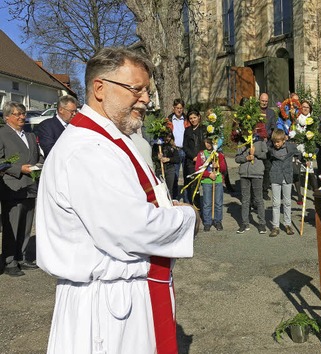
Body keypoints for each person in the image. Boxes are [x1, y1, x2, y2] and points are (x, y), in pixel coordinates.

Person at [36, 47, 198, 353]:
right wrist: (189, 216)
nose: (146, 99)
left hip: (122, 297)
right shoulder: (88, 149)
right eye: (136, 89)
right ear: (99, 88)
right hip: (107, 310)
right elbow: (133, 228)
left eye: (147, 91)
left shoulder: (108, 139)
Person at [0, 101, 43, 277]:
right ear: (7, 116)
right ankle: (10, 261)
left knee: (26, 226)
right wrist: (19, 169)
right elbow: (1, 162)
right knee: (13, 227)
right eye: (17, 114)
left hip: (30, 185)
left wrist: (39, 164)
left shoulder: (31, 135)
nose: (22, 117)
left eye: (23, 113)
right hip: (13, 187)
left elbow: (38, 155)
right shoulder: (2, 134)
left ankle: (22, 257)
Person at [268, 129, 300, 237]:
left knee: (287, 202)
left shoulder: (290, 147)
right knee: (276, 203)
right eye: (274, 142)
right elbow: (268, 159)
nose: (276, 144)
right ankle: (275, 226)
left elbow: (299, 154)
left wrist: (306, 159)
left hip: (287, 176)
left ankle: (287, 224)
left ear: (283, 140)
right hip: (275, 176)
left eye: (278, 142)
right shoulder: (271, 149)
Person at [235, 135, 268, 234]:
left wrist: (255, 152)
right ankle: (245, 223)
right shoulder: (241, 142)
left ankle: (262, 223)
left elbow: (265, 155)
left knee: (258, 199)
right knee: (245, 199)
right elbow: (237, 158)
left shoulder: (260, 141)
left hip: (257, 173)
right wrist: (246, 157)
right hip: (244, 174)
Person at [196, 137, 224, 232]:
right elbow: (198, 169)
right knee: (207, 203)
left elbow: (224, 168)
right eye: (206, 142)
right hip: (207, 182)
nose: (208, 144)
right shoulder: (201, 154)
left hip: (218, 181)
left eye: (210, 142)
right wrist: (208, 174)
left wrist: (218, 165)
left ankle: (218, 221)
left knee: (218, 203)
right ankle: (207, 222)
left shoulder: (218, 154)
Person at [166, 98, 189, 200]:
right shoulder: (169, 120)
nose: (179, 110)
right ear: (173, 108)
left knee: (187, 176)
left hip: (185, 150)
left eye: (181, 108)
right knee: (174, 177)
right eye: (177, 108)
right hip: (175, 150)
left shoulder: (187, 120)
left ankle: (187, 199)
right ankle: (174, 198)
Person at [183, 110, 206, 205]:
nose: (193, 120)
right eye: (191, 118)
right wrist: (193, 156)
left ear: (199, 117)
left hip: (204, 160)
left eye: (194, 118)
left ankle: (206, 208)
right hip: (191, 162)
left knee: (206, 186)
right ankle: (196, 207)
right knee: (193, 186)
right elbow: (185, 146)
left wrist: (201, 157)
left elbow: (207, 144)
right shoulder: (187, 130)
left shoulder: (204, 129)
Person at [152, 132, 180, 200]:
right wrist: (158, 157)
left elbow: (177, 159)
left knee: (169, 189)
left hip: (170, 169)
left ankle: (169, 203)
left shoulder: (173, 147)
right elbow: (153, 157)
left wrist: (168, 159)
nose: (168, 138)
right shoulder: (157, 146)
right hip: (160, 169)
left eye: (169, 137)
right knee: (161, 189)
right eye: (166, 136)